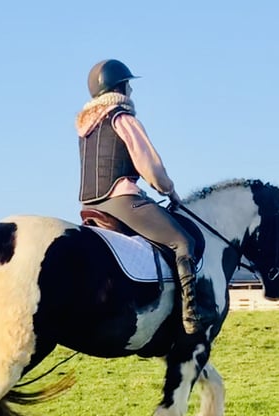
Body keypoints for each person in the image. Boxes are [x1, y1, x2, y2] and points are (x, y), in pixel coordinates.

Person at [76, 59, 213, 335]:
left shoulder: (86, 128)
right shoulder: (121, 118)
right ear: (121, 87)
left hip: (89, 204)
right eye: (129, 85)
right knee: (182, 241)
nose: (131, 92)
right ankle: (191, 313)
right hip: (121, 200)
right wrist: (168, 190)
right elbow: (149, 165)